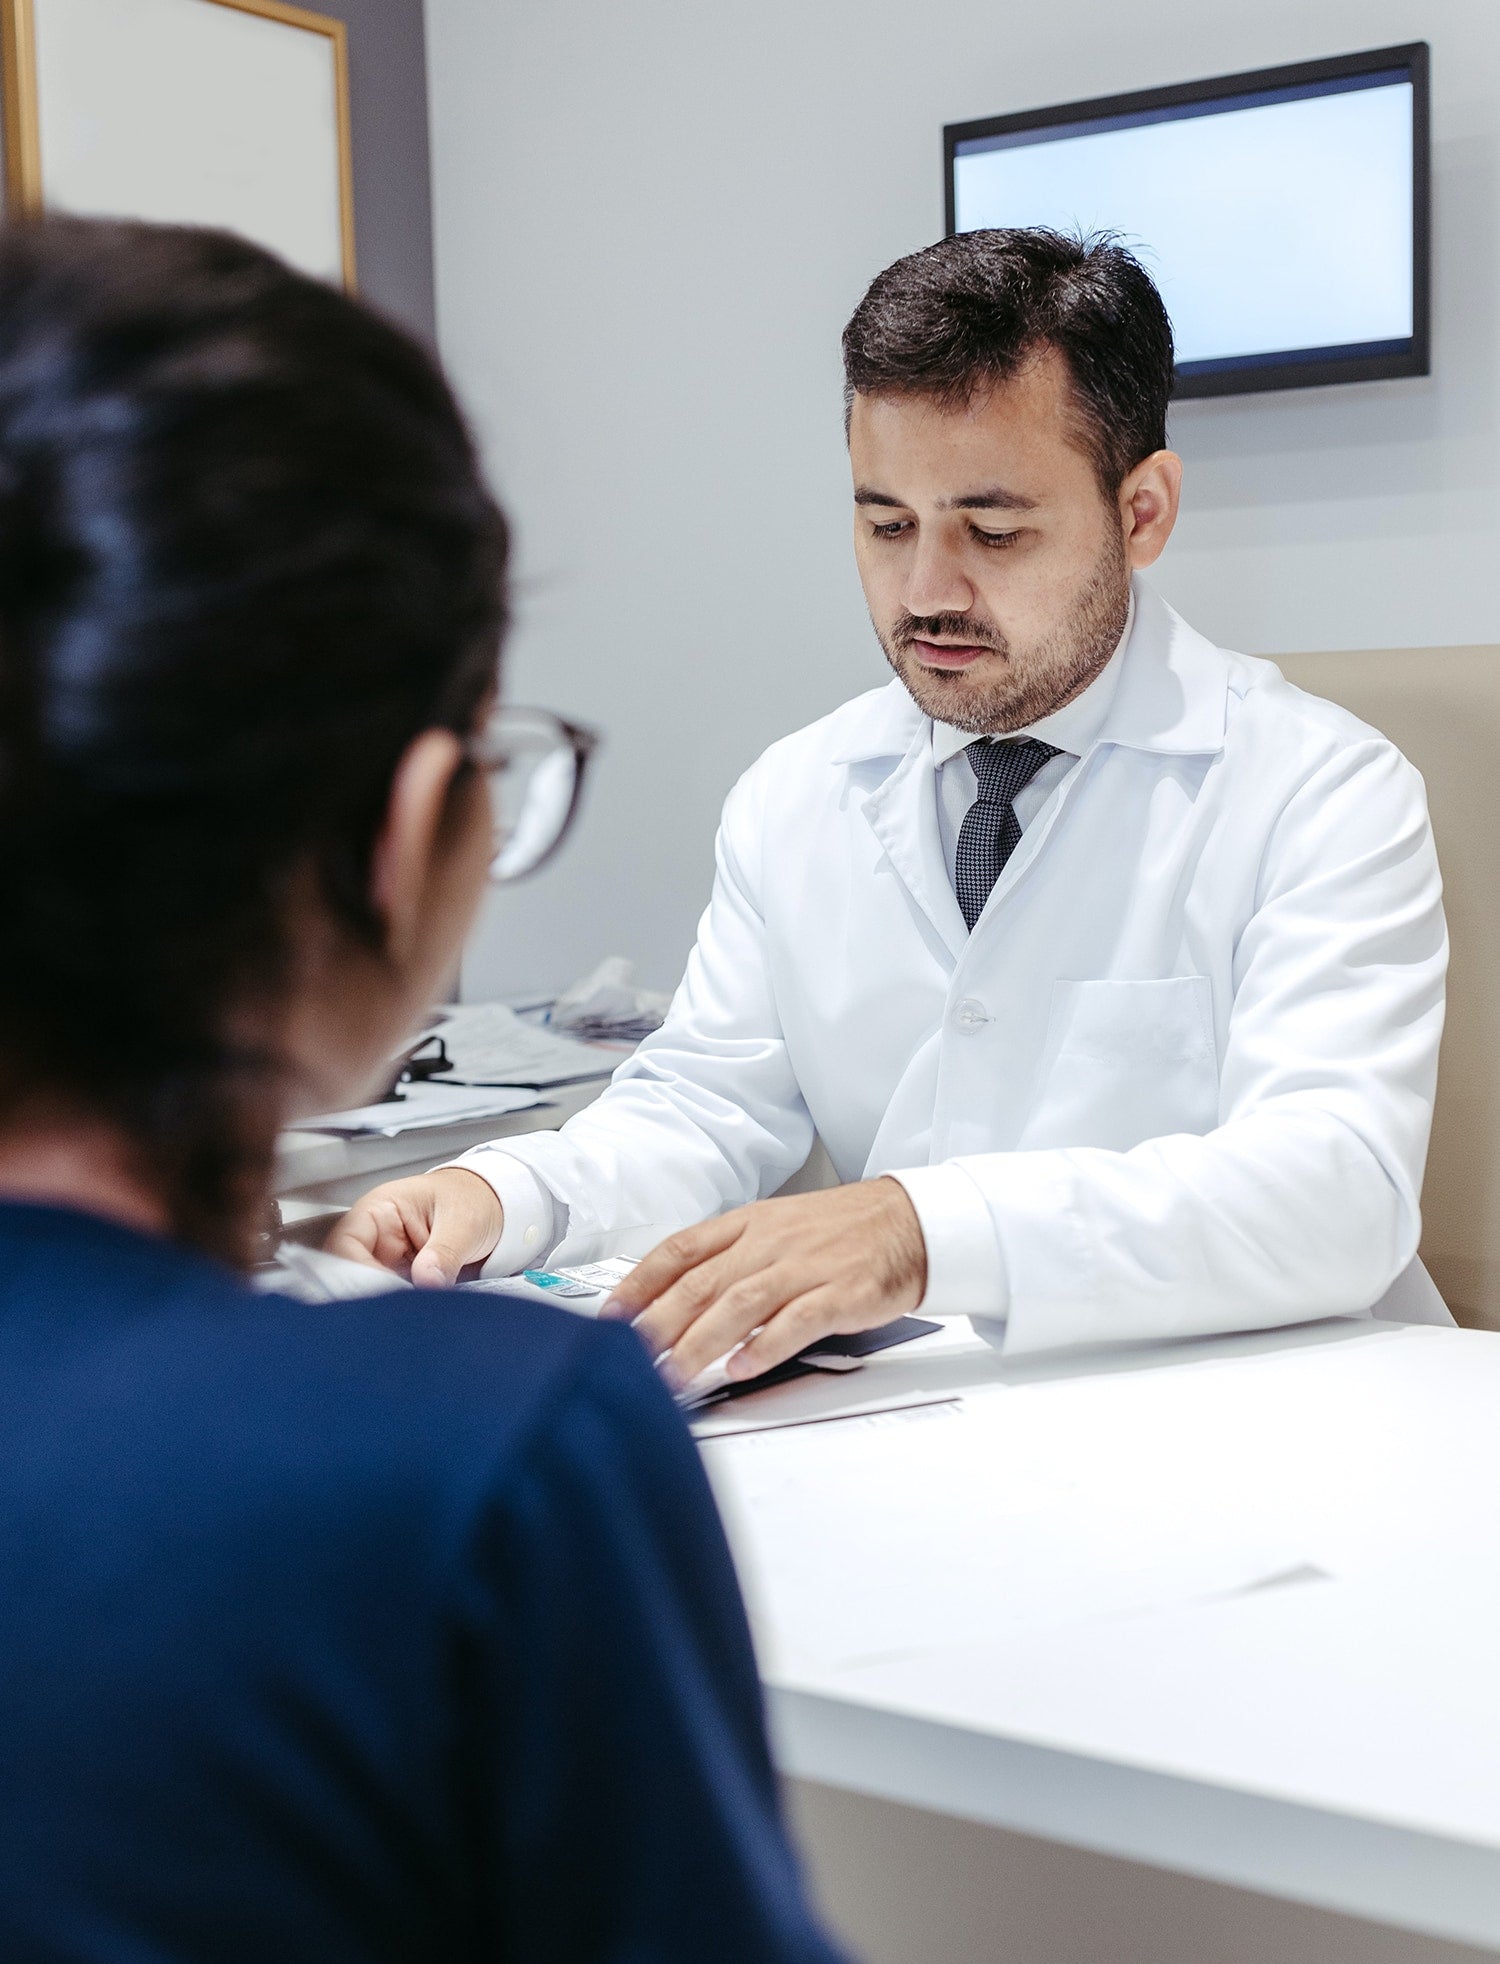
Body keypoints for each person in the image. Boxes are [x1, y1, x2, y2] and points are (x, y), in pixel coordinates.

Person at [0, 216, 841, 1963]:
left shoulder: (1317, 783)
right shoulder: (480, 1454)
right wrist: (525, 1193)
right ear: (406, 834)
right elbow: (705, 1089)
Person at [333, 227, 1448, 1387]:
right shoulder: (797, 792)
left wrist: (920, 1230)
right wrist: (501, 1190)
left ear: (1144, 512)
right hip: (931, 1415)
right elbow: (706, 1108)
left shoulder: (1319, 788)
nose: (927, 592)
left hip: (1277, 1409)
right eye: (886, 524)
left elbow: (1337, 1190)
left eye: (995, 530)